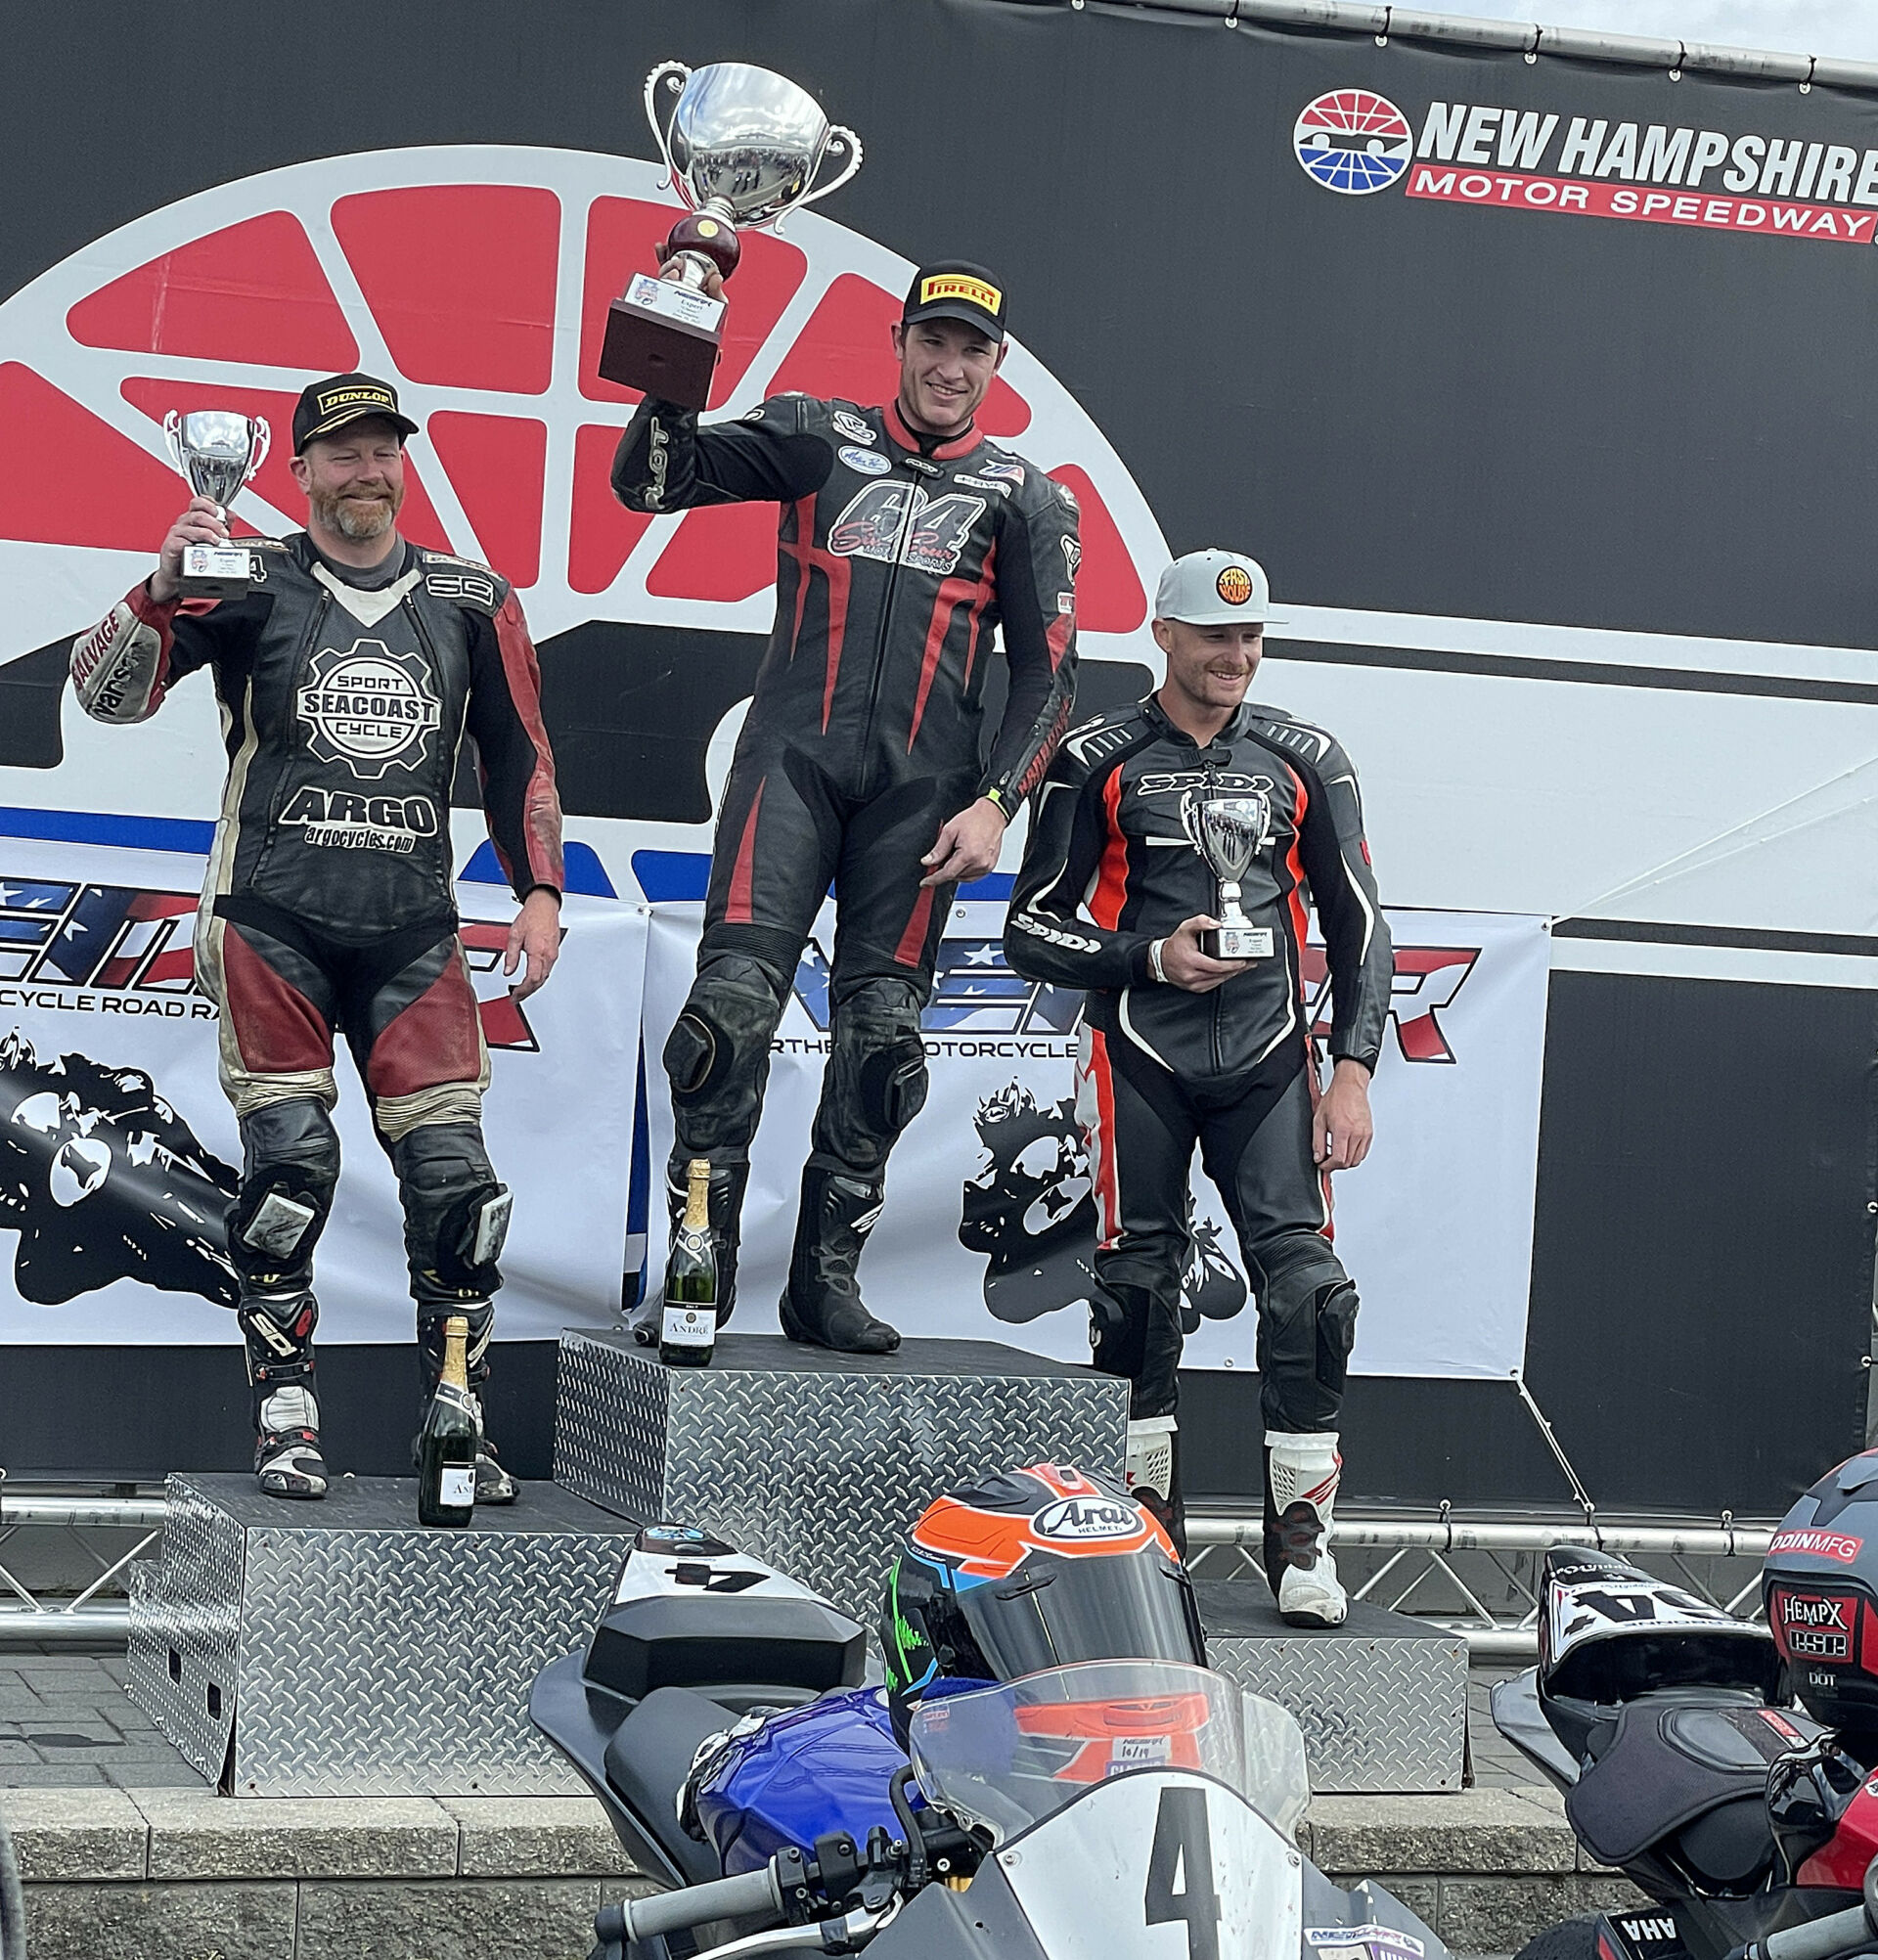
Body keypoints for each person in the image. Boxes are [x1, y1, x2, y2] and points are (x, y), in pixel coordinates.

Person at [69, 372, 563, 1502]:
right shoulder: (246, 576)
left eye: (384, 449)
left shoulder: (471, 597)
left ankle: (456, 1410)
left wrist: (540, 888)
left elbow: (521, 753)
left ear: (406, 463)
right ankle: (286, 1409)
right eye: (342, 454)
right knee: (293, 1164)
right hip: (271, 919)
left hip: (413, 933)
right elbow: (106, 700)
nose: (368, 471)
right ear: (297, 472)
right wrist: (156, 587)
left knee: (458, 1184)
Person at [612, 261, 1079, 1354]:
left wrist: (998, 805)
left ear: (996, 366)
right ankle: (698, 1270)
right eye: (934, 341)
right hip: (791, 773)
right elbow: (649, 481)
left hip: (923, 807)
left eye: (972, 349)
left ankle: (823, 1282)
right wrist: (672, 368)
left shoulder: (1024, 495)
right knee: (726, 1022)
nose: (950, 366)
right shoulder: (815, 433)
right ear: (900, 340)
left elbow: (1049, 677)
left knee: (882, 1047)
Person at [1003, 550, 1390, 1626]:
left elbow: (1361, 925)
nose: (1237, 657)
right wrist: (1147, 959)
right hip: (1141, 1049)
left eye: (1253, 638)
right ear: (1162, 636)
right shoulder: (1097, 755)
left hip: (1271, 1058)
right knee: (1135, 1294)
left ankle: (1303, 1545)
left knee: (1312, 1294)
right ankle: (1144, 1544)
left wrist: (1351, 1069)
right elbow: (1028, 925)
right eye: (1215, 638)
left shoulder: (1306, 757)